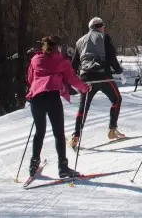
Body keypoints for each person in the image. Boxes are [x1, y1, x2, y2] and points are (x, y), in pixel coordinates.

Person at [26, 36, 89, 178]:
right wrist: (84, 88)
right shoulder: (61, 60)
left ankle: (33, 165)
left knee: (39, 132)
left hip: (36, 98)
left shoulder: (35, 59)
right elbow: (72, 79)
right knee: (58, 133)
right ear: (58, 47)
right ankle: (63, 167)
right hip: (52, 97)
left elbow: (30, 78)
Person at [69, 17, 125, 149]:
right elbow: (111, 56)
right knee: (117, 99)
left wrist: (72, 79)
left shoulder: (79, 41)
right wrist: (119, 71)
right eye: (103, 26)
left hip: (86, 77)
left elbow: (74, 64)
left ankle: (76, 136)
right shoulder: (104, 37)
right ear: (100, 27)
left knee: (83, 107)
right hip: (102, 75)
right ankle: (112, 129)